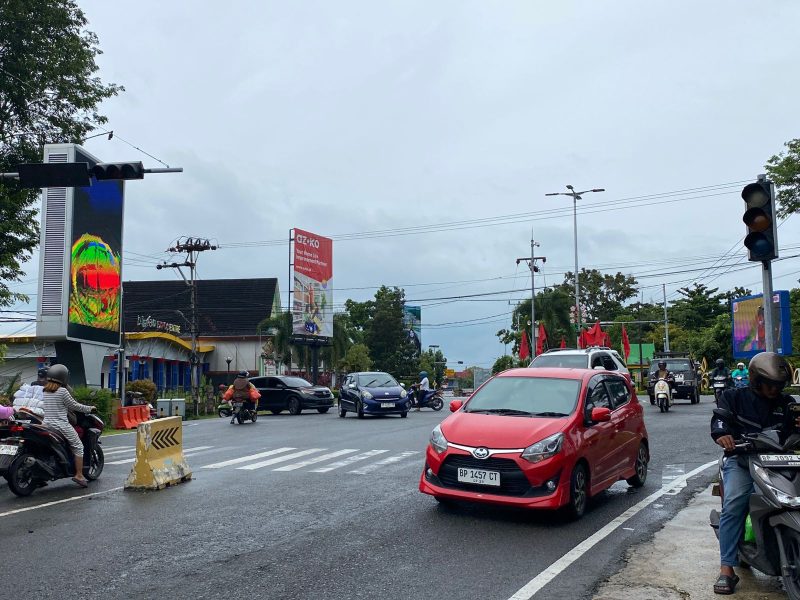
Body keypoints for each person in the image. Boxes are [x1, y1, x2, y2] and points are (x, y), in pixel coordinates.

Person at [710, 352, 797, 595]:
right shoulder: (733, 397)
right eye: (771, 384)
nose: (775, 389)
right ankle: (727, 568)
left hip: (782, 462)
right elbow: (719, 422)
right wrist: (723, 436)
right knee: (735, 503)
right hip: (742, 460)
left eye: (779, 385)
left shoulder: (787, 403)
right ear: (756, 380)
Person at [41, 364, 96, 488]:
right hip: (61, 425)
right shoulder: (62, 391)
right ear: (64, 377)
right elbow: (75, 406)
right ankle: (79, 475)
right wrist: (90, 408)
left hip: (46, 424)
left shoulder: (45, 390)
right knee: (78, 447)